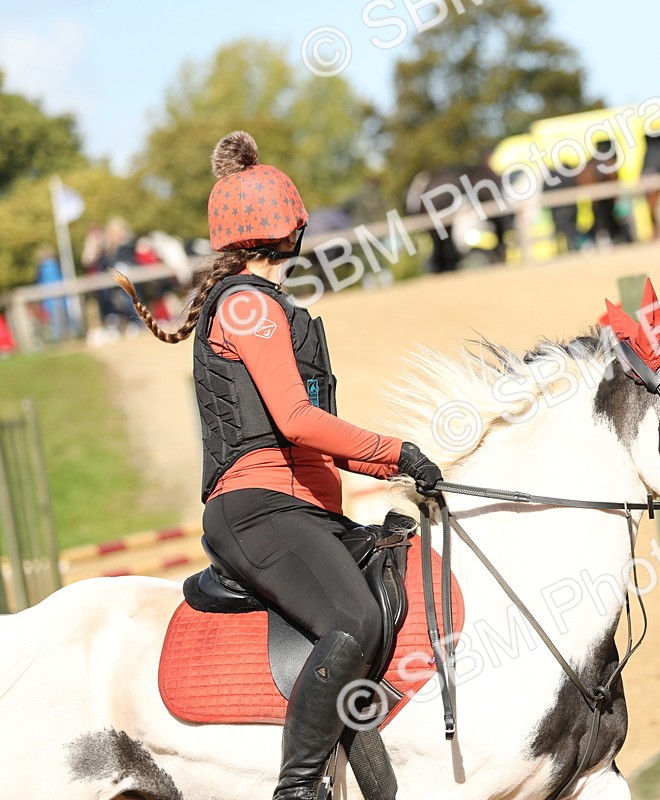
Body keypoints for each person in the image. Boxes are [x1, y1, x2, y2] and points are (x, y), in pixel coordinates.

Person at [111, 131, 443, 800]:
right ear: (287, 225)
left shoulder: (272, 307)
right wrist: (395, 455)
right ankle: (297, 789)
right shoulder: (245, 304)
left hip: (308, 512)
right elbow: (295, 422)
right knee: (353, 622)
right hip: (258, 511)